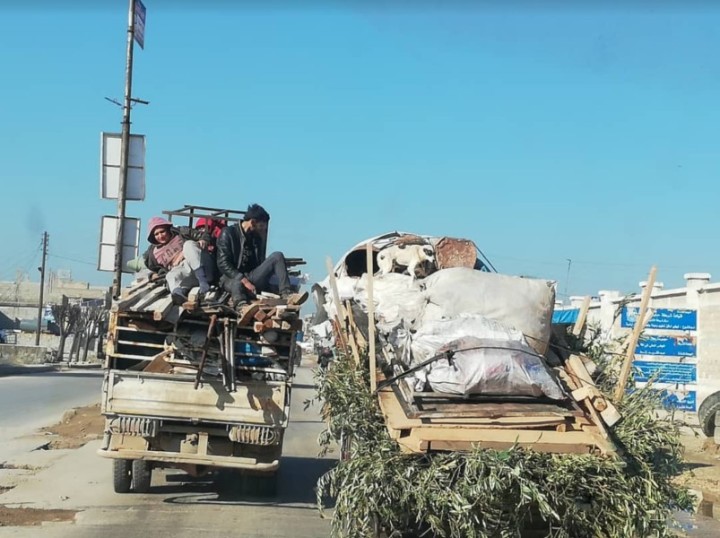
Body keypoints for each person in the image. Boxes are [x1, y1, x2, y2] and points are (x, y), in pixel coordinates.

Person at [216, 204, 307, 310]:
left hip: (251, 277)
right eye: (262, 225)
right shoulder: (228, 233)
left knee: (277, 256)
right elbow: (222, 263)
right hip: (231, 278)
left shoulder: (256, 238)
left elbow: (259, 264)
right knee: (237, 283)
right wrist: (243, 280)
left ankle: (287, 294)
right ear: (253, 222)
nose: (264, 229)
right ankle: (242, 306)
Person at [143, 216, 214, 305]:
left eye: (162, 232)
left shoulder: (181, 232)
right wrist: (152, 275)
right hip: (185, 273)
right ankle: (178, 293)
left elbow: (204, 235)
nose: (160, 236)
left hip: (201, 266)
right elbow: (156, 271)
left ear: (167, 229)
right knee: (171, 275)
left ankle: (203, 282)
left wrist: (203, 240)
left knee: (188, 245)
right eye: (156, 234)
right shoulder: (153, 254)